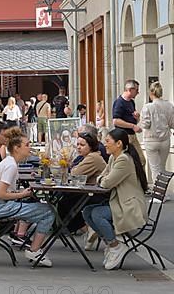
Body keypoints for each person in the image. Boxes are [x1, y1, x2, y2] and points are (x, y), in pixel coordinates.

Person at [0, 127, 55, 267]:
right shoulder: (11, 165)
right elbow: (1, 193)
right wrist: (23, 194)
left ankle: (34, 248)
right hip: (0, 207)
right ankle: (35, 250)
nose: (29, 148)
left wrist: (20, 192)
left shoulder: (10, 162)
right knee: (48, 212)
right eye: (27, 145)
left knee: (45, 209)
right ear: (17, 148)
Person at [82, 128, 148, 270]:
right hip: (118, 202)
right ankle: (111, 243)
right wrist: (102, 179)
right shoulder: (114, 157)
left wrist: (102, 179)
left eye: (107, 141)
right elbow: (103, 177)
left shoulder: (124, 160)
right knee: (87, 211)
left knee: (97, 214)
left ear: (118, 144)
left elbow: (106, 182)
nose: (104, 144)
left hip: (129, 206)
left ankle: (115, 245)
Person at [57, 132, 106, 236]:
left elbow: (74, 173)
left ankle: (88, 229)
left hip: (98, 194)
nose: (78, 147)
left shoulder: (93, 157)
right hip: (91, 191)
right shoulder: (87, 156)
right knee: (64, 199)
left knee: (64, 201)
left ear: (91, 146)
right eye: (78, 144)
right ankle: (87, 229)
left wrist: (71, 168)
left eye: (82, 145)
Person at [140, 81, 174, 188]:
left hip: (151, 140)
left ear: (151, 93)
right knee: (162, 167)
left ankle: (158, 195)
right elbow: (172, 123)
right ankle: (163, 192)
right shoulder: (169, 105)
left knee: (155, 168)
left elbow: (146, 124)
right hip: (165, 140)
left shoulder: (147, 107)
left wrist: (138, 119)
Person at [112, 79, 146, 168]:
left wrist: (136, 118)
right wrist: (132, 126)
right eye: (136, 90)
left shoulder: (131, 102)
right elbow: (116, 120)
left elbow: (132, 120)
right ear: (130, 90)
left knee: (141, 160)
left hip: (132, 135)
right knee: (133, 161)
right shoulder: (119, 103)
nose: (138, 93)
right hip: (124, 136)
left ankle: (138, 180)